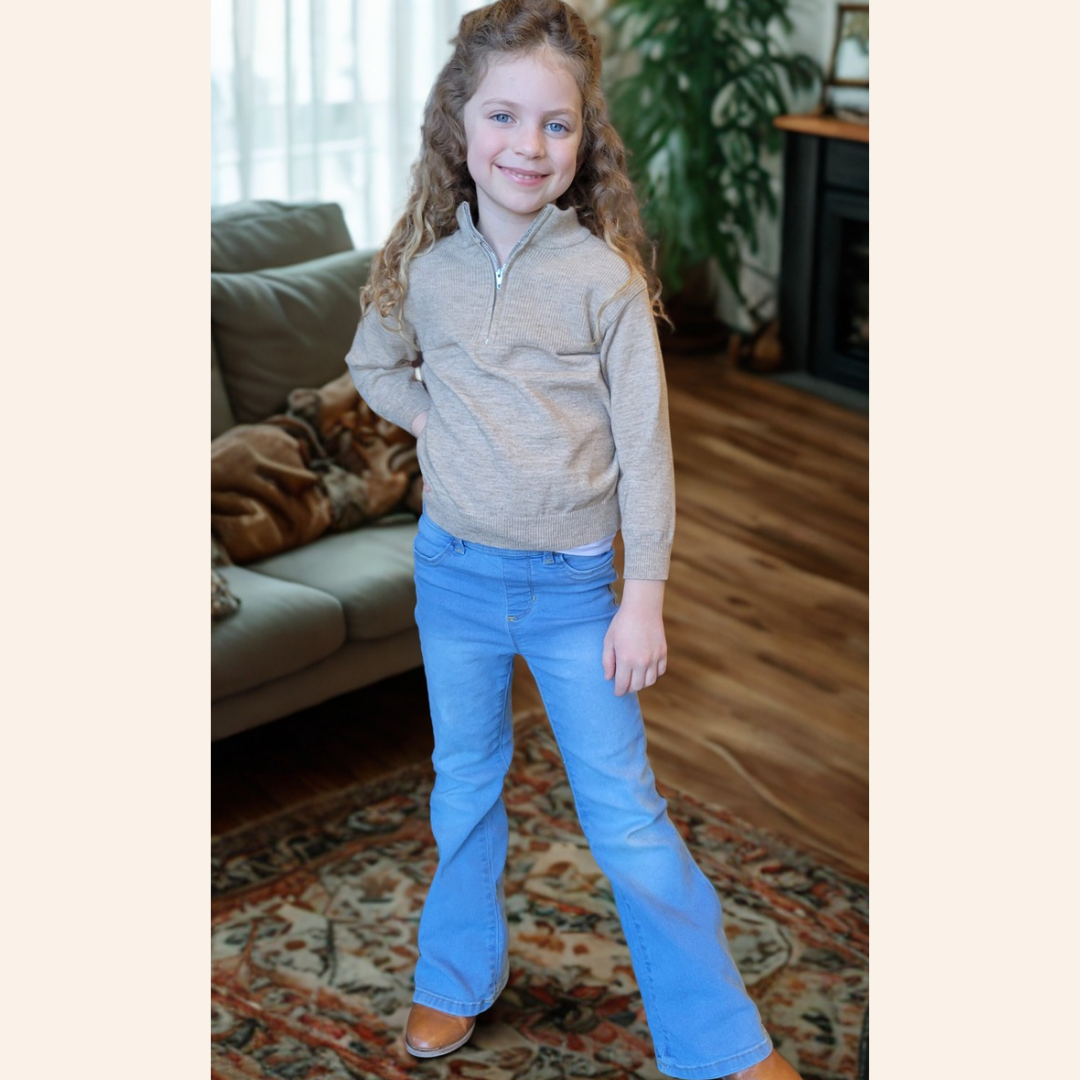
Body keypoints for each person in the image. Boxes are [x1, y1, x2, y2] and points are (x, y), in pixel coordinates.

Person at [346, 3, 803, 1077]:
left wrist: (643, 594)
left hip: (575, 593)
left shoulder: (603, 279)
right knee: (463, 788)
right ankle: (453, 979)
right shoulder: (422, 261)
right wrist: (433, 419)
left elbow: (647, 450)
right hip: (452, 576)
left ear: (585, 136)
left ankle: (720, 1042)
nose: (528, 146)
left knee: (627, 818)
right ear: (460, 123)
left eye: (557, 125)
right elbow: (373, 362)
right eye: (504, 116)